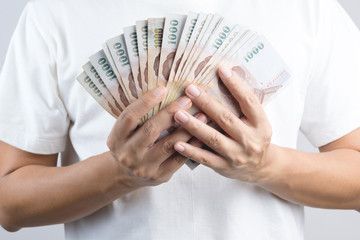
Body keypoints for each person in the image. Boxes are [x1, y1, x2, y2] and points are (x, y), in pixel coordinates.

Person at [0, 0, 360, 239]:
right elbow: (9, 201)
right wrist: (116, 175)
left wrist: (265, 165)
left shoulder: (306, 8)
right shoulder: (56, 10)